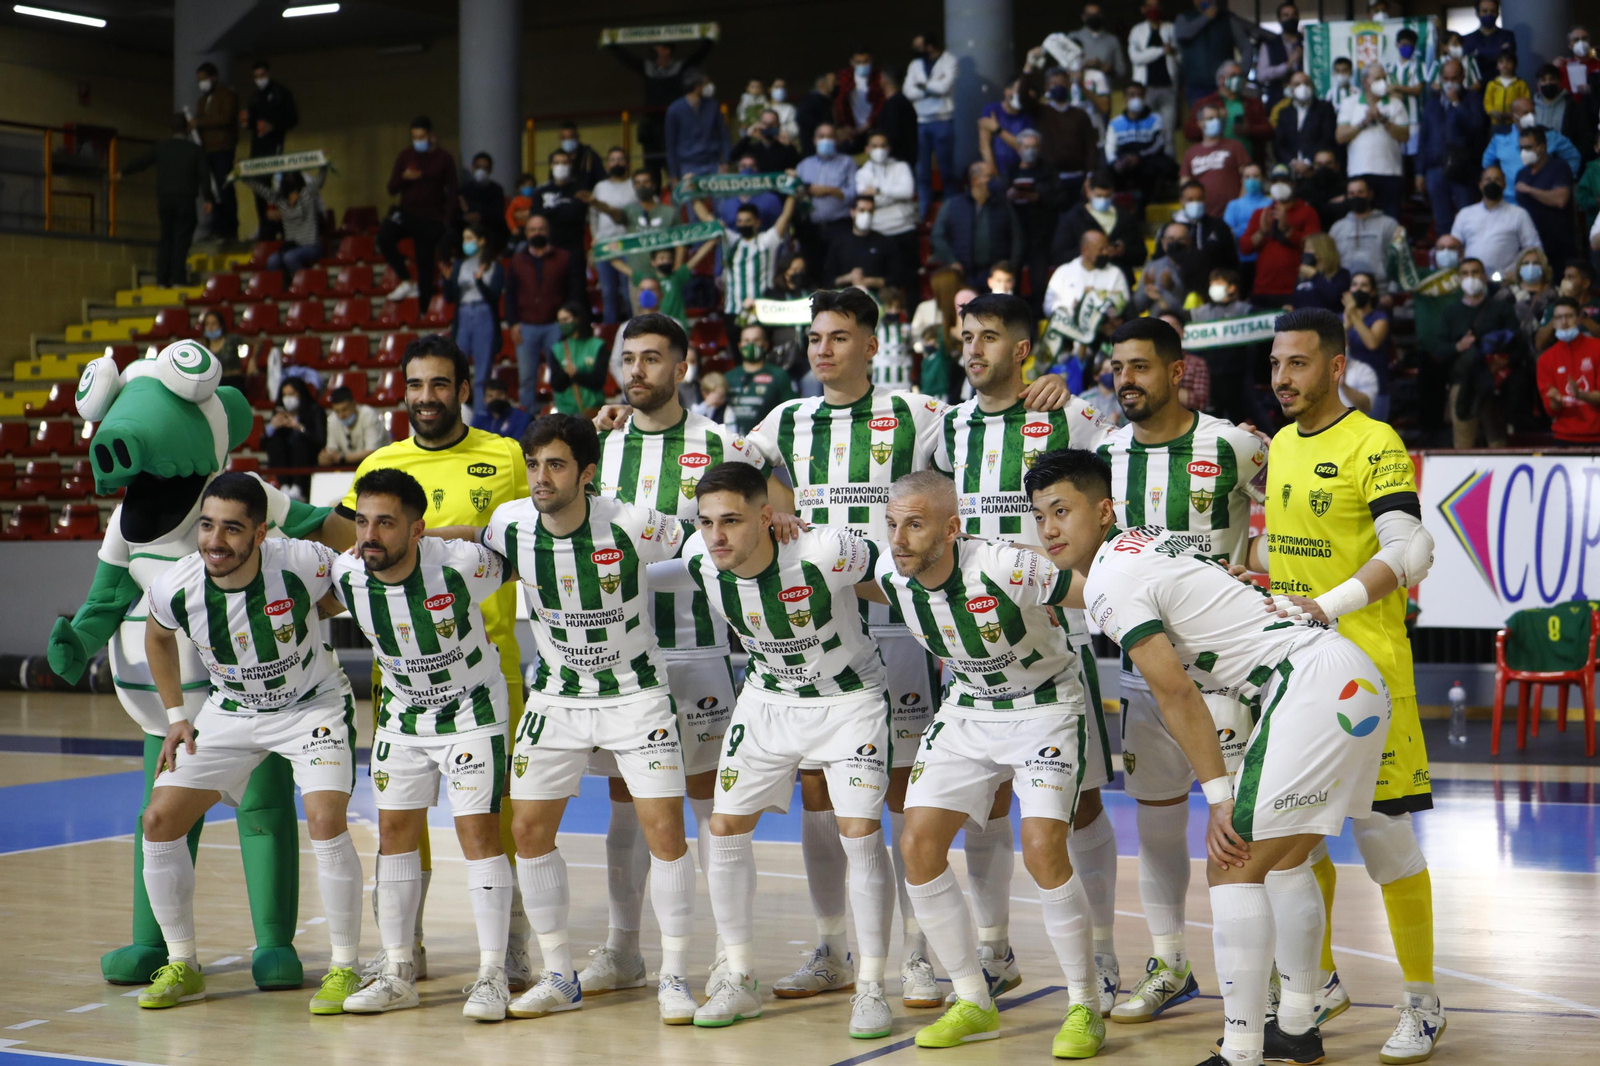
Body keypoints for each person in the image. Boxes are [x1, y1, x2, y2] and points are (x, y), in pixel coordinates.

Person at [1027, 444, 1393, 1066]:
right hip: (1347, 679)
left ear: (1104, 511)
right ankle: (1298, 1024)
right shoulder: (1148, 542)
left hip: (1305, 681)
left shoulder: (1112, 580)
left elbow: (1175, 692)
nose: (1050, 528)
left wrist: (1218, 798)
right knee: (1283, 863)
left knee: (1231, 865)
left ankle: (1244, 1048)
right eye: (1040, 516)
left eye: (1062, 510)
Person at [1246, 307, 1445, 1066]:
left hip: (1367, 674)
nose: (1281, 379)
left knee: (1385, 838)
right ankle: (1319, 980)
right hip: (1296, 670)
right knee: (1302, 835)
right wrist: (1259, 573)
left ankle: (1423, 1003)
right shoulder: (1286, 447)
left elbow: (1408, 548)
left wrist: (1324, 607)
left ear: (1334, 367)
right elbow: (1305, 548)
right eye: (1274, 364)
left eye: (1296, 364)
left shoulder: (1375, 441)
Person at [637, 463, 895, 1037]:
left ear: (766, 516)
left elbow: (901, 566)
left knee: (859, 832)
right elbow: (648, 573)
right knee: (725, 827)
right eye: (706, 522)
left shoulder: (823, 549)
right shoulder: (705, 562)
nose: (717, 534)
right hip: (766, 700)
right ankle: (741, 976)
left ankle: (873, 985)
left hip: (847, 699)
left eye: (731, 520)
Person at [927, 294, 1121, 1013]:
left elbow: (1120, 474)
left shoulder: (1066, 415)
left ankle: (1100, 956)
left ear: (1023, 348)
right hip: (972, 641)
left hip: (1060, 636)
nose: (973, 349)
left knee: (1082, 805)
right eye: (966, 337)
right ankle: (993, 948)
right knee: (985, 801)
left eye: (989, 338)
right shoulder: (946, 427)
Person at [879, 473, 1104, 1057]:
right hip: (969, 709)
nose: (900, 539)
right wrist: (780, 524)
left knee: (1042, 846)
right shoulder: (888, 571)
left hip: (1045, 708)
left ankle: (1085, 1003)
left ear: (952, 529)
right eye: (893, 524)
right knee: (917, 845)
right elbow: (813, 553)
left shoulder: (1007, 567)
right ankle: (975, 1001)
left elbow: (1100, 593)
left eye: (915, 524)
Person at [334, 337, 534, 984]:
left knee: (497, 815)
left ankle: (510, 947)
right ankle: (404, 949)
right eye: (416, 384)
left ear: (464, 388)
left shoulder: (505, 457)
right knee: (401, 818)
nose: (426, 397)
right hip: (399, 675)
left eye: (440, 384)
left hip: (488, 667)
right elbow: (347, 543)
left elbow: (539, 533)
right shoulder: (380, 463)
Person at [579, 319, 767, 998]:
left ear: (682, 368)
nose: (637, 371)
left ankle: (727, 956)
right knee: (625, 802)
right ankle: (623, 948)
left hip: (696, 649)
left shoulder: (722, 445)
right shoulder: (597, 442)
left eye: (652, 359)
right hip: (620, 657)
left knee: (707, 805)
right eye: (628, 358)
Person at [1089, 316, 1268, 1025]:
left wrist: (1257, 566)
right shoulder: (1104, 454)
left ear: (1175, 371)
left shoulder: (1235, 444)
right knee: (1157, 826)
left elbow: (1293, 528)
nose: (1125, 380)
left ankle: (1280, 979)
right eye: (1117, 369)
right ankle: (1169, 962)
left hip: (1227, 680)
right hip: (1144, 674)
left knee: (1239, 832)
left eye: (1138, 367)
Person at [136, 476, 361, 1013]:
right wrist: (175, 716)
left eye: (233, 529)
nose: (216, 540)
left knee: (326, 820)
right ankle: (183, 964)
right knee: (159, 821)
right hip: (231, 709)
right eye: (207, 525)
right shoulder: (177, 586)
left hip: (313, 705)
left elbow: (366, 569)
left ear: (261, 534)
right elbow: (156, 635)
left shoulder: (303, 560)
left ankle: (346, 967)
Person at [325, 469, 517, 1021]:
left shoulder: (460, 566)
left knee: (477, 833)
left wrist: (460, 531)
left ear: (417, 531)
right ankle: (398, 968)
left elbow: (519, 549)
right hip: (401, 714)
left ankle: (492, 974)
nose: (369, 535)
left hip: (472, 710)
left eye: (386, 522)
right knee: (393, 834)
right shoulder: (346, 574)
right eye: (362, 521)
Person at [117, 113, 212, 287]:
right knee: (182, 238)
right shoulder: (195, 150)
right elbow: (204, 176)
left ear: (171, 130)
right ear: (187, 129)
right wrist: (208, 198)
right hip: (185, 199)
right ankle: (178, 278)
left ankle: (162, 278)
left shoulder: (161, 147)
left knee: (166, 237)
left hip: (165, 198)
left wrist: (122, 172)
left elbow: (142, 161)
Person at [1434, 256, 1518, 446]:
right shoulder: (1450, 312)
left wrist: (1504, 362)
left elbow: (1518, 344)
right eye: (1465, 273)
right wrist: (1458, 346)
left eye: (1475, 272)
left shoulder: (1501, 309)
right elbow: (1438, 350)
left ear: (1484, 276)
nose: (1470, 277)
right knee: (1463, 442)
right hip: (1462, 383)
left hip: (1494, 383)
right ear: (1459, 278)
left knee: (1498, 443)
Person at [380, 117, 457, 307]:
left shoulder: (444, 158)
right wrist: (404, 177)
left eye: (422, 136)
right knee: (383, 238)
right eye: (414, 137)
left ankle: (424, 310)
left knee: (425, 265)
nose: (418, 141)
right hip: (406, 214)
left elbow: (453, 191)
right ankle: (406, 279)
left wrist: (446, 219)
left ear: (430, 135)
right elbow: (391, 188)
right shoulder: (406, 155)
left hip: (431, 218)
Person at [692, 192, 797, 320]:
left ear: (757, 222)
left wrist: (792, 189)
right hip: (733, 310)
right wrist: (692, 195)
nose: (743, 225)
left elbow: (785, 216)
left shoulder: (768, 241)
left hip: (763, 310)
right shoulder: (730, 240)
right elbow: (706, 217)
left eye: (748, 221)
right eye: (739, 221)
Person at [506, 214, 571, 402]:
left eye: (541, 229)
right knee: (526, 379)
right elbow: (509, 294)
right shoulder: (517, 260)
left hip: (555, 326)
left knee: (560, 377)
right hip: (526, 327)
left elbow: (572, 291)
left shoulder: (563, 257)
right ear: (526, 234)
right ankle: (527, 423)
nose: (537, 233)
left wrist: (566, 320)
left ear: (548, 231)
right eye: (532, 230)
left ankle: (563, 418)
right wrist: (512, 323)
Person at [931, 161, 1024, 291]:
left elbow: (1017, 237)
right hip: (965, 275)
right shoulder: (952, 205)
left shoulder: (1004, 205)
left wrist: (1011, 266)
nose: (994, 181)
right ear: (975, 180)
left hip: (996, 277)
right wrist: (952, 261)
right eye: (989, 176)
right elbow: (937, 236)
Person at [1420, 61, 1487, 238]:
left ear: (1463, 77)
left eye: (1454, 78)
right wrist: (1419, 172)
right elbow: (1424, 138)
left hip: (1462, 169)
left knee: (1468, 219)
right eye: (1446, 78)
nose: (1450, 82)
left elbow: (1476, 127)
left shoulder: (1473, 99)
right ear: (1441, 78)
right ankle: (1446, 259)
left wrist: (1456, 104)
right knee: (1442, 221)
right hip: (1435, 168)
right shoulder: (1432, 103)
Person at [1242, 164, 1322, 308]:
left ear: (1293, 183)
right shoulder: (1261, 213)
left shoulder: (1307, 212)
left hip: (1295, 288)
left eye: (1284, 181)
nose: (1279, 185)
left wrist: (1287, 230)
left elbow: (1315, 247)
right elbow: (1245, 247)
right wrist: (1262, 231)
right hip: (1263, 289)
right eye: (1275, 181)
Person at [1336, 64, 1409, 220]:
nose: (1382, 82)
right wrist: (1364, 123)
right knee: (1360, 218)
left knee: (1391, 220)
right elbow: (1340, 136)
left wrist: (1383, 120)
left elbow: (1404, 136)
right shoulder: (1350, 103)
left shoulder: (1396, 104)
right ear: (1365, 82)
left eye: (1384, 78)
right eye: (1377, 79)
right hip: (1359, 172)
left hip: (1390, 172)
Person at [442, 224, 504, 408]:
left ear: (482, 240)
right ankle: (456, 412)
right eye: (464, 239)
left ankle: (480, 415)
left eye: (470, 238)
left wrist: (479, 282)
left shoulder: (493, 265)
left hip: (484, 313)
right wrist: (447, 280)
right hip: (463, 315)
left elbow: (494, 297)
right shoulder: (460, 264)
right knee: (457, 367)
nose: (466, 243)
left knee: (482, 372)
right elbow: (450, 297)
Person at [1055, 168, 1149, 286]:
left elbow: (1141, 255)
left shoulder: (1125, 218)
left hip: (1120, 283)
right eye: (1099, 196)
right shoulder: (1073, 218)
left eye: (1107, 196)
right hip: (1083, 283)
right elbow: (1059, 255)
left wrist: (1123, 250)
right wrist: (1091, 252)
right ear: (1089, 192)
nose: (1103, 200)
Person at [1450, 165, 1541, 278]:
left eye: (1497, 179)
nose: (1492, 183)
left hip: (1505, 280)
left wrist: (1516, 274)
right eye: (1488, 179)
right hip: (1470, 278)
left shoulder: (1519, 214)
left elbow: (1533, 248)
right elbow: (1452, 246)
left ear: (1504, 184)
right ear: (1480, 185)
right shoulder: (1465, 214)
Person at [903, 32, 958, 219]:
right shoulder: (915, 64)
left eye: (919, 45)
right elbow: (907, 92)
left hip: (943, 120)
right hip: (921, 122)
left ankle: (952, 213)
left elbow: (945, 87)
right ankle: (924, 214)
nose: (915, 50)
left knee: (946, 170)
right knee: (922, 172)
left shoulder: (949, 60)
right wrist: (932, 87)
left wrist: (922, 87)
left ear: (930, 46)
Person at [857, 131, 919, 292]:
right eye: (875, 146)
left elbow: (907, 192)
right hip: (879, 230)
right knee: (884, 282)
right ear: (867, 149)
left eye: (883, 145)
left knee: (910, 280)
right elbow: (867, 201)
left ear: (889, 148)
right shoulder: (861, 174)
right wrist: (893, 195)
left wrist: (878, 190)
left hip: (904, 228)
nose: (879, 150)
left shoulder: (901, 167)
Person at [242, 167, 326, 287]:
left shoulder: (307, 194)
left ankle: (304, 285)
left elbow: (319, 181)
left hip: (311, 245)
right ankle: (279, 291)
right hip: (291, 247)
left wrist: (324, 165)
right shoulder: (281, 200)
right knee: (272, 260)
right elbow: (261, 190)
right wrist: (243, 177)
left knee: (290, 258)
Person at [244, 59, 298, 240]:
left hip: (274, 147)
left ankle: (280, 228)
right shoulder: (255, 96)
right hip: (257, 148)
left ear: (269, 74)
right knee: (259, 187)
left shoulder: (281, 93)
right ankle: (264, 226)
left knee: (274, 188)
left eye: (262, 75)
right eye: (256, 76)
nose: (259, 79)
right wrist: (246, 121)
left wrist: (273, 126)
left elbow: (292, 119)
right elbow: (251, 121)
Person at [1486, 99, 1583, 200]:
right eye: (1526, 113)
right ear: (1514, 117)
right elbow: (1487, 163)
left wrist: (1562, 180)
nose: (1531, 116)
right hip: (1509, 201)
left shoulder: (1550, 135)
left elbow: (1574, 157)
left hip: (1542, 200)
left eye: (1533, 111)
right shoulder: (1500, 138)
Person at [795, 123, 857, 271]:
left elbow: (853, 195)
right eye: (821, 137)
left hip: (839, 225)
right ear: (815, 140)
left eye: (829, 136)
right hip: (811, 228)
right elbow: (796, 195)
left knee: (839, 269)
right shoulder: (804, 165)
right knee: (812, 270)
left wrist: (829, 190)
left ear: (836, 140)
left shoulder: (847, 162)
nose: (825, 140)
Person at [589, 147, 640, 324]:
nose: (616, 163)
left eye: (620, 159)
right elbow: (593, 214)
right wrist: (595, 235)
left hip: (628, 244)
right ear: (607, 164)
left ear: (626, 163)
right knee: (608, 292)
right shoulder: (600, 187)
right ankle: (610, 335)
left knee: (629, 292)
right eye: (612, 159)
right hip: (605, 246)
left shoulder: (634, 185)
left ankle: (635, 329)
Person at [1173, 0, 1256, 108]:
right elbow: (1182, 35)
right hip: (1196, 86)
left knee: (1229, 121)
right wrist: (1206, 17)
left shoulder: (1227, 19)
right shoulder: (1184, 18)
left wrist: (1242, 73)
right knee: (1201, 120)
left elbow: (1247, 48)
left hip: (1225, 85)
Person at [1538, 297, 1600, 440]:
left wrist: (1581, 395)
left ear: (1579, 319)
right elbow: (1551, 410)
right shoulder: (1545, 359)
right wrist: (1555, 401)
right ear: (1553, 322)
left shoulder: (1598, 348)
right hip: (1563, 438)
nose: (1564, 322)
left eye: (1569, 316)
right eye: (1559, 317)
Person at [1515, 125, 1578, 267]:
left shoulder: (1559, 167)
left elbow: (1560, 199)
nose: (1524, 152)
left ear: (1541, 147)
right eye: (1521, 148)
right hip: (1530, 245)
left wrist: (1530, 190)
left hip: (1558, 244)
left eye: (1528, 147)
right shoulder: (1522, 174)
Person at [1106, 82, 1173, 210]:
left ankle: (1147, 206)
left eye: (1139, 95)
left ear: (1144, 97)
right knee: (1107, 171)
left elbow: (1158, 144)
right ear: (1124, 98)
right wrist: (1115, 162)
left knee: (1163, 166)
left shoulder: (1156, 119)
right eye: (1131, 95)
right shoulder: (1115, 123)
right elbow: (1109, 148)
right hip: (1123, 160)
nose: (1135, 99)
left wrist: (1139, 157)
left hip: (1147, 159)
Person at [190, 63, 238, 241]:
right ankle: (216, 227)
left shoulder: (227, 95)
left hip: (223, 148)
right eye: (199, 80)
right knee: (211, 190)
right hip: (207, 149)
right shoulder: (203, 100)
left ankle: (229, 228)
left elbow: (225, 118)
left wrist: (200, 123)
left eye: (203, 79)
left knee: (224, 188)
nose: (201, 83)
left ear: (214, 77)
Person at [1183, 61, 1272, 158]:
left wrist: (1249, 129)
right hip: (1216, 161)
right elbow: (1189, 133)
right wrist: (1212, 121)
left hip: (1248, 161)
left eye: (1240, 76)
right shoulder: (1205, 104)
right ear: (1221, 79)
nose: (1238, 79)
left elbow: (1268, 131)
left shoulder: (1253, 104)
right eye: (1233, 75)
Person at [1328, 177, 1400, 293]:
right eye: (1351, 193)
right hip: (1347, 291)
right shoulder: (1337, 228)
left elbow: (1397, 260)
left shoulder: (1388, 224)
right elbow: (1331, 262)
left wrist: (1392, 293)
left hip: (1381, 291)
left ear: (1370, 194)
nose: (1356, 196)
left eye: (1360, 192)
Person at [724, 323, 797, 433]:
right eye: (746, 341)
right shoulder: (728, 378)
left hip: (768, 443)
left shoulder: (779, 376)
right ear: (739, 345)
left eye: (756, 340)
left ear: (765, 345)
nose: (751, 345)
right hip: (734, 443)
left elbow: (792, 411)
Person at [1181, 105, 1250, 219]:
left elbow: (1247, 177)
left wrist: (1239, 207)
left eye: (1218, 118)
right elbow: (1185, 184)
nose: (1215, 121)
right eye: (1210, 118)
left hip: (1231, 215)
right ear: (1200, 123)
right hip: (1201, 215)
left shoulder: (1235, 146)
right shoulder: (1191, 152)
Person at [1043, 230, 1131, 319]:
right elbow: (1049, 305)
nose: (1105, 253)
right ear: (1084, 250)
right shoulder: (1063, 272)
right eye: (1101, 250)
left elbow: (1123, 302)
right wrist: (1071, 309)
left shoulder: (1116, 273)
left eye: (1106, 248)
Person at [1342, 271, 1393, 420]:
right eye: (1355, 284)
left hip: (1375, 387)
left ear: (1372, 292)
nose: (1358, 289)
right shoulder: (1341, 318)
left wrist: (1354, 316)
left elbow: (1372, 343)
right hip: (1346, 385)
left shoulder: (1380, 318)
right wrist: (1346, 325)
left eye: (1364, 285)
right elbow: (1334, 346)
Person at [1128, 2, 1180, 149]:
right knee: (1146, 132)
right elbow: (1136, 58)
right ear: (1143, 9)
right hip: (1145, 90)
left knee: (1168, 135)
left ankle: (1169, 169)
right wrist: (1161, 51)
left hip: (1168, 88)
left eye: (1156, 6)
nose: (1153, 10)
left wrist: (1173, 51)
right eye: (1149, 6)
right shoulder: (1137, 31)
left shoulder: (1171, 28)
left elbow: (1181, 57)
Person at [824, 195, 902, 292]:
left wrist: (868, 281)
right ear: (852, 212)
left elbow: (897, 279)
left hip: (877, 298)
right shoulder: (838, 243)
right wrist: (849, 278)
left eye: (870, 211)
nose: (866, 215)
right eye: (862, 210)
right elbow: (827, 279)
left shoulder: (885, 242)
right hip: (843, 299)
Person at [263, 378, 325, 498]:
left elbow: (320, 440)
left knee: (299, 441)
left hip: (308, 459)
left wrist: (299, 427)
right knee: (275, 442)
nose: (288, 398)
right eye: (284, 395)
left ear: (300, 394)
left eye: (291, 394)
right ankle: (284, 486)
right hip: (285, 461)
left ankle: (298, 487)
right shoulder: (278, 412)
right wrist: (271, 427)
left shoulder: (315, 410)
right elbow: (262, 444)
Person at [665, 69, 729, 183]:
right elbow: (671, 144)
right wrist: (673, 175)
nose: (708, 86)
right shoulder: (674, 110)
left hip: (714, 162)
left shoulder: (713, 105)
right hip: (688, 165)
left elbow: (724, 135)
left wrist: (725, 162)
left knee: (721, 199)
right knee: (693, 200)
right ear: (696, 86)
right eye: (705, 83)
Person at [547, 302, 607, 417]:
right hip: (565, 412)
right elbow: (556, 384)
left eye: (566, 319)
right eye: (560, 321)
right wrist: (566, 373)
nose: (562, 324)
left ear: (577, 319)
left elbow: (599, 380)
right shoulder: (557, 349)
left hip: (592, 411)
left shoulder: (597, 345)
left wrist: (576, 375)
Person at [1274, 72, 1337, 179]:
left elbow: (1327, 137)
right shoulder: (1284, 113)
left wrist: (1308, 161)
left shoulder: (1324, 108)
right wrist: (1293, 163)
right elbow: (1279, 144)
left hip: (1317, 170)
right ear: (1290, 89)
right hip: (1291, 171)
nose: (1302, 87)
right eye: (1297, 84)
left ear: (1312, 86)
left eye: (1306, 83)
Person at [1534, 64, 1600, 164]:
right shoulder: (1531, 108)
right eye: (1544, 80)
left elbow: (1585, 138)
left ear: (1559, 82)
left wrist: (1573, 159)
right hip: (1537, 163)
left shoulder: (1574, 108)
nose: (1548, 83)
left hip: (1566, 164)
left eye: (1552, 79)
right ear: (1538, 84)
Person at [1177, 178, 1241, 277]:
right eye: (1190, 199)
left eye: (1199, 199)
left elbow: (1232, 260)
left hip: (1216, 285)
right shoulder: (1172, 230)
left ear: (1205, 199)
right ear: (1181, 201)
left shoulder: (1220, 227)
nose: (1195, 203)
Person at [978, 75, 1037, 181]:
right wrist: (994, 173)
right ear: (1006, 91)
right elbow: (984, 145)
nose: (1020, 95)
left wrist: (997, 129)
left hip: (1022, 172)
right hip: (998, 171)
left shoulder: (1028, 115)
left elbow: (1023, 146)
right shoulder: (991, 110)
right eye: (1018, 90)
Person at [1132, 224, 1196, 316]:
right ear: (1163, 243)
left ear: (1189, 241)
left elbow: (1196, 307)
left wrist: (1172, 288)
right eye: (1171, 239)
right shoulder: (1153, 266)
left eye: (1181, 239)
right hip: (1157, 325)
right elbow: (1137, 307)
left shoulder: (1197, 265)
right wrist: (1147, 292)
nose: (1175, 243)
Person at [1225, 162, 1272, 284]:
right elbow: (1227, 233)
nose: (1251, 180)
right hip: (1241, 260)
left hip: (1265, 259)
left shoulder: (1271, 204)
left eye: (1255, 176)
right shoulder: (1233, 205)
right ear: (1242, 180)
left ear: (1262, 178)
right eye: (1247, 177)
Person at [320, 385, 389, 466]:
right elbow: (332, 450)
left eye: (344, 409)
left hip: (378, 465)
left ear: (354, 404)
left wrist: (341, 458)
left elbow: (372, 451)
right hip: (348, 468)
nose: (341, 415)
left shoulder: (368, 414)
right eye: (337, 411)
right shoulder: (332, 420)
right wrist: (326, 457)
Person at [1256, 2, 1304, 110]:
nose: (1291, 18)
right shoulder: (1269, 45)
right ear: (1279, 20)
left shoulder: (1307, 41)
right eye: (1286, 15)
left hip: (1307, 100)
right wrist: (1286, 67)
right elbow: (1261, 75)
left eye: (1294, 15)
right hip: (1278, 102)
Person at [834, 47, 885, 145]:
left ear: (871, 61)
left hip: (874, 126)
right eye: (858, 62)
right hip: (851, 128)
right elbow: (840, 102)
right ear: (852, 62)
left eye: (866, 61)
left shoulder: (878, 78)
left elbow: (881, 104)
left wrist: (869, 124)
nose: (862, 65)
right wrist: (844, 125)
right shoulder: (845, 79)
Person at [1069, 2, 1129, 83]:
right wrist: (1084, 65)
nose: (1093, 17)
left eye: (1096, 15)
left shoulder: (1112, 40)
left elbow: (1121, 71)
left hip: (1103, 88)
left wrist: (1104, 66)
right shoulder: (1073, 37)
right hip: (1079, 87)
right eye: (1090, 15)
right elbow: (1062, 67)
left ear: (1101, 15)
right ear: (1083, 17)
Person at [1291, 233, 1351, 312]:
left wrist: (1315, 276)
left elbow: (1333, 297)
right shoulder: (1303, 276)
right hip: (1303, 322)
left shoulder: (1341, 274)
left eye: (1309, 248)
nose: (1305, 252)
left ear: (1322, 250)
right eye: (1304, 249)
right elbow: (1297, 301)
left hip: (1328, 321)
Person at [876, 68, 920, 174]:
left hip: (897, 162)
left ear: (884, 80)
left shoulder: (895, 105)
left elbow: (892, 134)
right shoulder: (903, 102)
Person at [732, 109, 801, 174]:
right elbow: (733, 156)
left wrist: (789, 144)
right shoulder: (753, 149)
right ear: (760, 125)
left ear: (778, 125)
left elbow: (797, 165)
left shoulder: (786, 149)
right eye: (765, 123)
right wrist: (748, 136)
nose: (768, 127)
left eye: (771, 124)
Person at [1461, 0, 1517, 75]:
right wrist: (1497, 51)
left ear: (1497, 13)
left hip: (1502, 83)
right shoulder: (1467, 39)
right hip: (1477, 84)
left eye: (1492, 11)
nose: (1489, 14)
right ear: (1477, 14)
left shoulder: (1507, 36)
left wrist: (1480, 54)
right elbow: (1467, 64)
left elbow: (1510, 60)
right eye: (1485, 11)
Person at [548, 119, 604, 191]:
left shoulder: (589, 156)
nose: (567, 140)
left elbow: (601, 178)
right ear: (560, 138)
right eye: (564, 138)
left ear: (577, 137)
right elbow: (552, 180)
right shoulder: (556, 156)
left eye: (571, 137)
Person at [471, 377, 532, 441]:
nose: (495, 399)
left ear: (507, 396)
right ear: (484, 399)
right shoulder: (480, 417)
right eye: (490, 396)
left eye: (499, 395)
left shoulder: (520, 418)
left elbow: (517, 446)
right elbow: (472, 442)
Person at [1482, 49, 1530, 126]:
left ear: (1514, 64)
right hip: (1496, 122)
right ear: (1497, 65)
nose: (1505, 65)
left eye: (1508, 62)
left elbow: (1526, 101)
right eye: (1501, 62)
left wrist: (1515, 113)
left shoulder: (1520, 84)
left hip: (1515, 122)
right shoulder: (1492, 83)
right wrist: (1492, 112)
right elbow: (1487, 102)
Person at [797, 72, 839, 154]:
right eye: (832, 81)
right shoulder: (811, 100)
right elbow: (801, 118)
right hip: (811, 146)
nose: (836, 84)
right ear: (822, 84)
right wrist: (821, 128)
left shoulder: (827, 100)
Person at [1560, 26, 1600, 97]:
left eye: (1584, 39)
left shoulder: (1598, 65)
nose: (1581, 42)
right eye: (1576, 40)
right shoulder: (1563, 66)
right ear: (1570, 45)